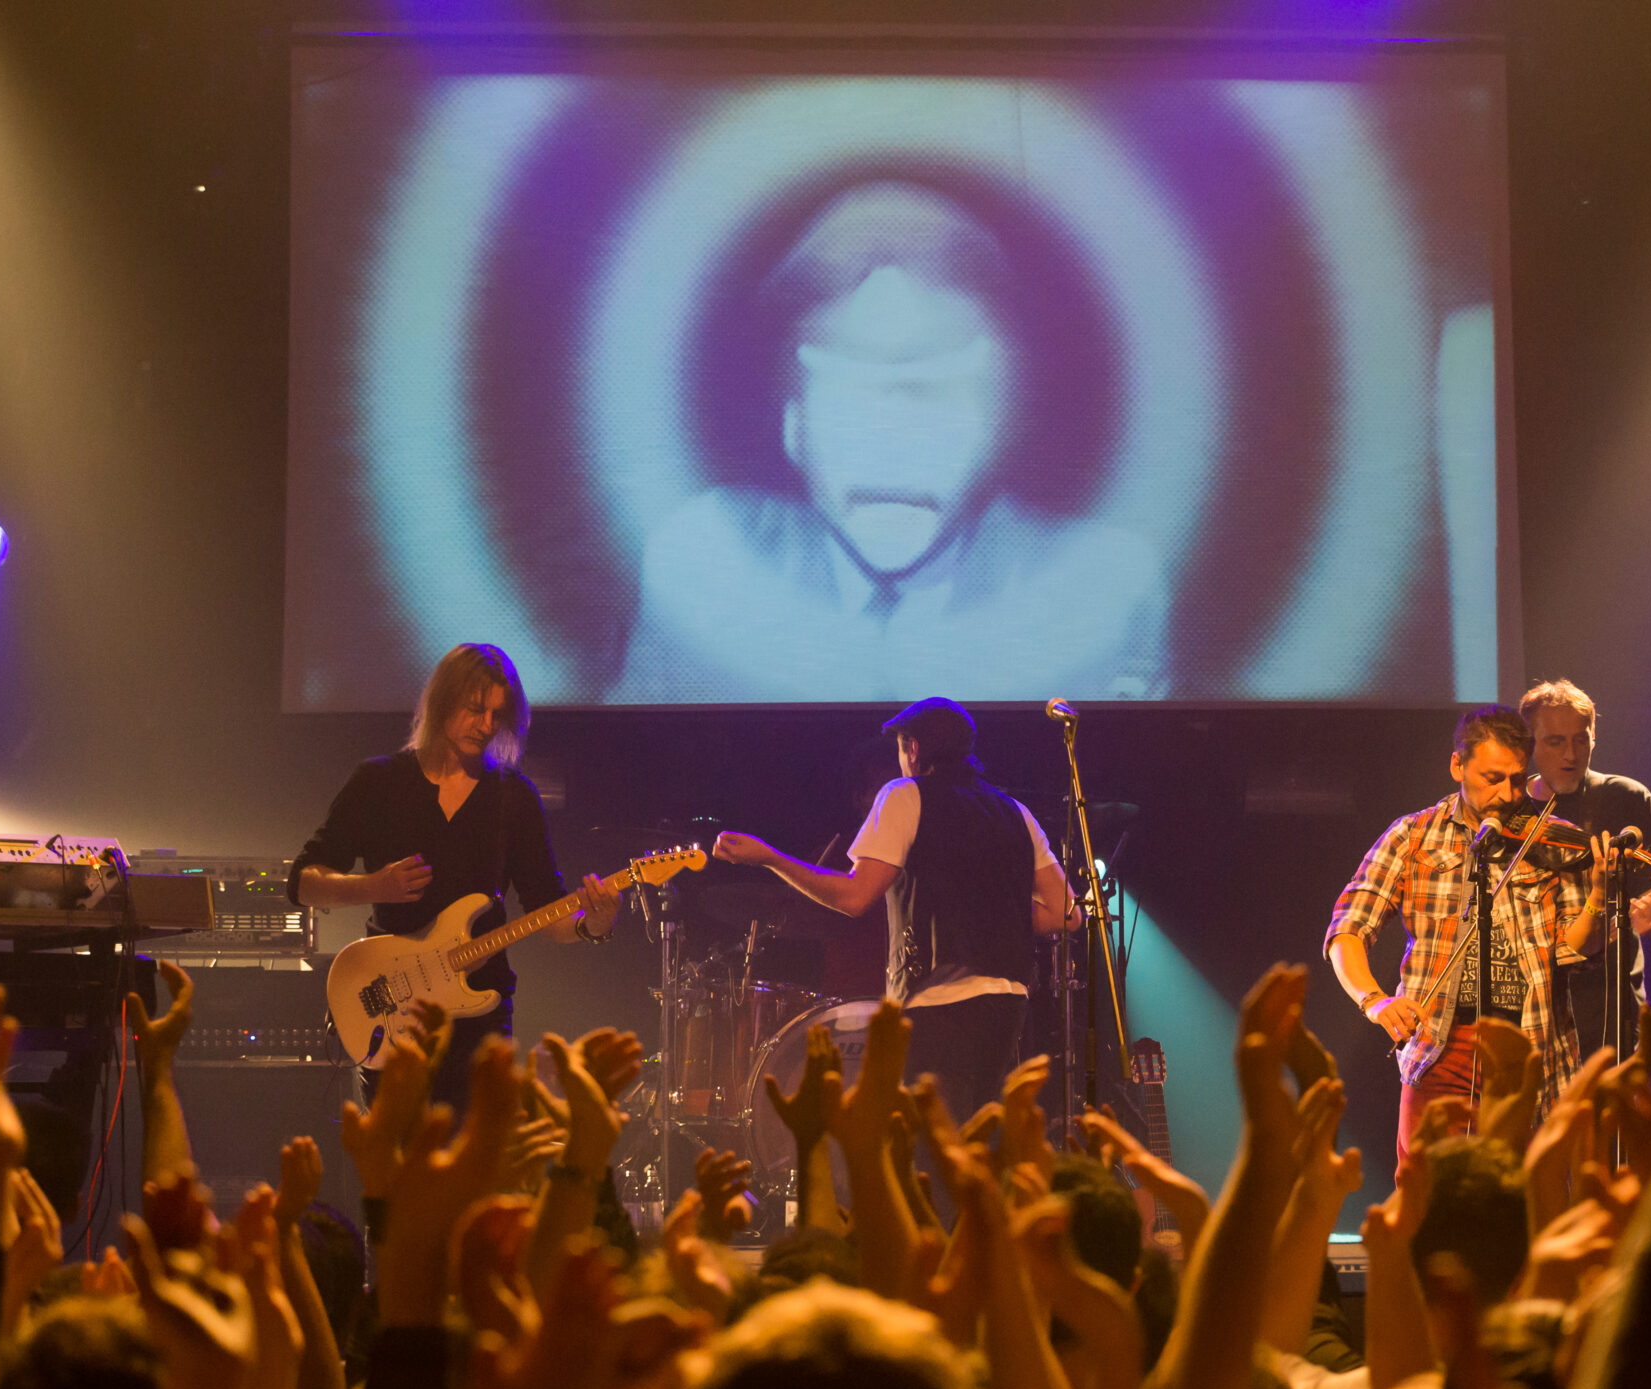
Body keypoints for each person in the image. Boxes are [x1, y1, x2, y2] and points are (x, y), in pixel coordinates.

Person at [619, 181, 1164, 705]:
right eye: (852, 401)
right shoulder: (702, 570)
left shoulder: (1107, 596)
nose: (893, 450)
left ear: (995, 431)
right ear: (794, 427)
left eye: (935, 399)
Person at [710, 697, 1075, 1120]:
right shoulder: (1016, 813)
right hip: (1008, 1008)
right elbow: (1067, 914)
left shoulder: (904, 794)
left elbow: (855, 896)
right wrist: (988, 919)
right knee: (976, 1144)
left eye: (901, 748)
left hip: (939, 1006)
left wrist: (770, 857)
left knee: (932, 1148)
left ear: (913, 748)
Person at [289, 643, 619, 1092]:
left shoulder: (513, 797)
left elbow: (546, 907)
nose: (487, 726)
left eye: (498, 715)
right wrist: (372, 887)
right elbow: (303, 882)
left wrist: (592, 925)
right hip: (392, 1004)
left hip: (479, 1022)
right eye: (475, 709)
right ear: (441, 701)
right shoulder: (377, 782)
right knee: (397, 1141)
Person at [1325, 704, 1613, 1153]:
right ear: (1458, 765)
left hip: (1531, 1045)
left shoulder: (1553, 839)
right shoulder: (1412, 835)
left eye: (1518, 779)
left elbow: (1574, 952)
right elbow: (1348, 927)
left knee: (1525, 1189)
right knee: (1428, 1187)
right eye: (1492, 778)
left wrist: (1597, 895)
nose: (1508, 794)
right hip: (1441, 1045)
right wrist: (1374, 1001)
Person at [1517, 678, 1651, 1052]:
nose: (1571, 755)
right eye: (1555, 742)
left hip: (1609, 1009)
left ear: (1594, 738)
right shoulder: (1510, 808)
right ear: (1530, 744)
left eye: (1581, 740)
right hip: (1530, 1011)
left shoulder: (1626, 798)